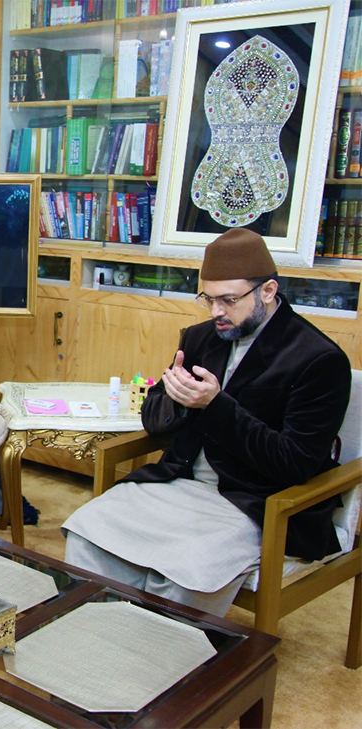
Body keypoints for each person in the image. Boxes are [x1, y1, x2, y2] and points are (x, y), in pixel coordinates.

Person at [62, 228, 352, 616]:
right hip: (178, 480)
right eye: (208, 299)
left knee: (185, 569)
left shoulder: (318, 360)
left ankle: (166, 660)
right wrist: (177, 400)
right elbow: (154, 417)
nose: (216, 311)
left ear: (267, 291)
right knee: (89, 530)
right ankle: (98, 635)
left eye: (229, 300)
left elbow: (294, 463)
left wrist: (215, 406)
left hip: (254, 500)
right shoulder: (201, 337)